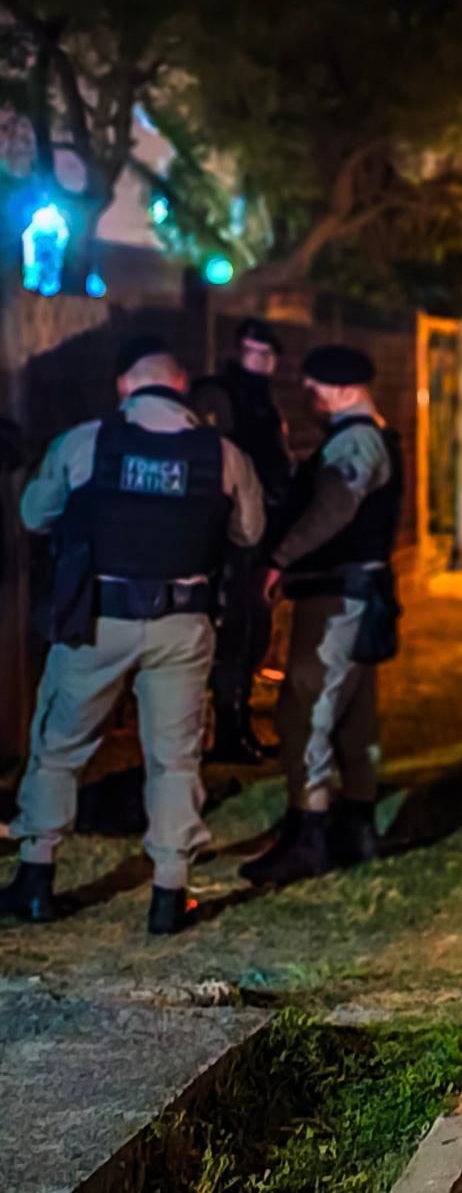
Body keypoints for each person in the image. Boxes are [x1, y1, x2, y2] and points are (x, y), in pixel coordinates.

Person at [0, 336, 264, 934]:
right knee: (174, 758)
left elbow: (33, 515)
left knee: (59, 746)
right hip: (183, 623)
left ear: (124, 385)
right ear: (181, 387)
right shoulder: (221, 454)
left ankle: (37, 879)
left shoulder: (87, 442)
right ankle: (170, 894)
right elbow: (249, 533)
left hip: (99, 619)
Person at [239, 344, 402, 887]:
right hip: (357, 594)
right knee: (355, 718)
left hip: (338, 599)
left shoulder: (354, 441)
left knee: (304, 711)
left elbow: (333, 508)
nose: (307, 398)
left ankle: (309, 836)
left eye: (315, 388)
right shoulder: (369, 436)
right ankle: (356, 829)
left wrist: (279, 559)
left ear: (345, 389)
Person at [191, 317, 293, 763]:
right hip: (233, 531)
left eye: (268, 355)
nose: (263, 363)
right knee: (235, 629)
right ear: (240, 351)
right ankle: (228, 729)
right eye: (255, 353)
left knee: (251, 628)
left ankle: (237, 724)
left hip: (258, 526)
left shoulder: (261, 401)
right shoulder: (222, 395)